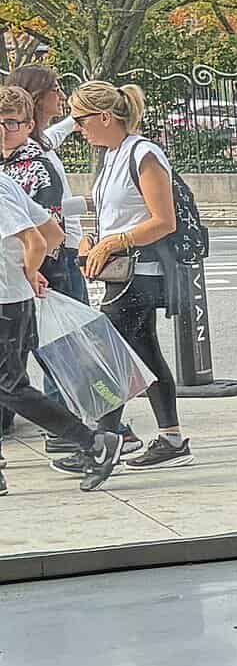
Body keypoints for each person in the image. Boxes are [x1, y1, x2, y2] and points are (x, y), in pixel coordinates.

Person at [51, 81, 188, 471]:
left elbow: (163, 221)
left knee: (109, 357)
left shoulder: (144, 154)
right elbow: (117, 210)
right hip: (123, 273)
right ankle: (169, 439)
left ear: (105, 117)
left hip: (140, 272)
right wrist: (93, 236)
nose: (78, 128)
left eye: (80, 120)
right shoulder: (113, 154)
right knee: (142, 355)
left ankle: (105, 442)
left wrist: (114, 242)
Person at [0, 103, 123, 495]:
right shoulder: (5, 181)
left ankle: (94, 442)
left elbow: (38, 241)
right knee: (9, 384)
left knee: (11, 387)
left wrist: (26, 270)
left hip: (5, 301)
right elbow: (52, 232)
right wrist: (27, 270)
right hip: (12, 296)